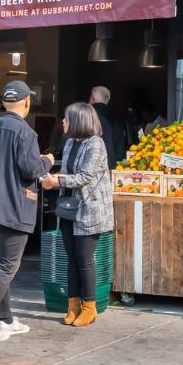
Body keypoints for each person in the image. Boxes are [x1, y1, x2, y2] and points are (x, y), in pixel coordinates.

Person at [0, 80, 52, 341]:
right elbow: (32, 169)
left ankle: (5, 319)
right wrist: (46, 161)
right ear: (26, 102)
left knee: (0, 263)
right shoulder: (26, 133)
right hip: (15, 206)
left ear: (5, 103)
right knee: (7, 266)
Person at [42, 102, 113, 327]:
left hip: (90, 210)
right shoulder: (70, 142)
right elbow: (66, 172)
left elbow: (84, 177)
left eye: (67, 118)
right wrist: (52, 178)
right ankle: (72, 305)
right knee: (71, 260)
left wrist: (56, 181)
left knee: (84, 260)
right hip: (69, 209)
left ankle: (89, 307)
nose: (63, 122)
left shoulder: (96, 144)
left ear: (79, 121)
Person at [90, 86, 127, 167]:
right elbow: (120, 150)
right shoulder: (117, 119)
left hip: (90, 168)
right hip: (112, 167)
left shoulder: (86, 116)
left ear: (92, 99)